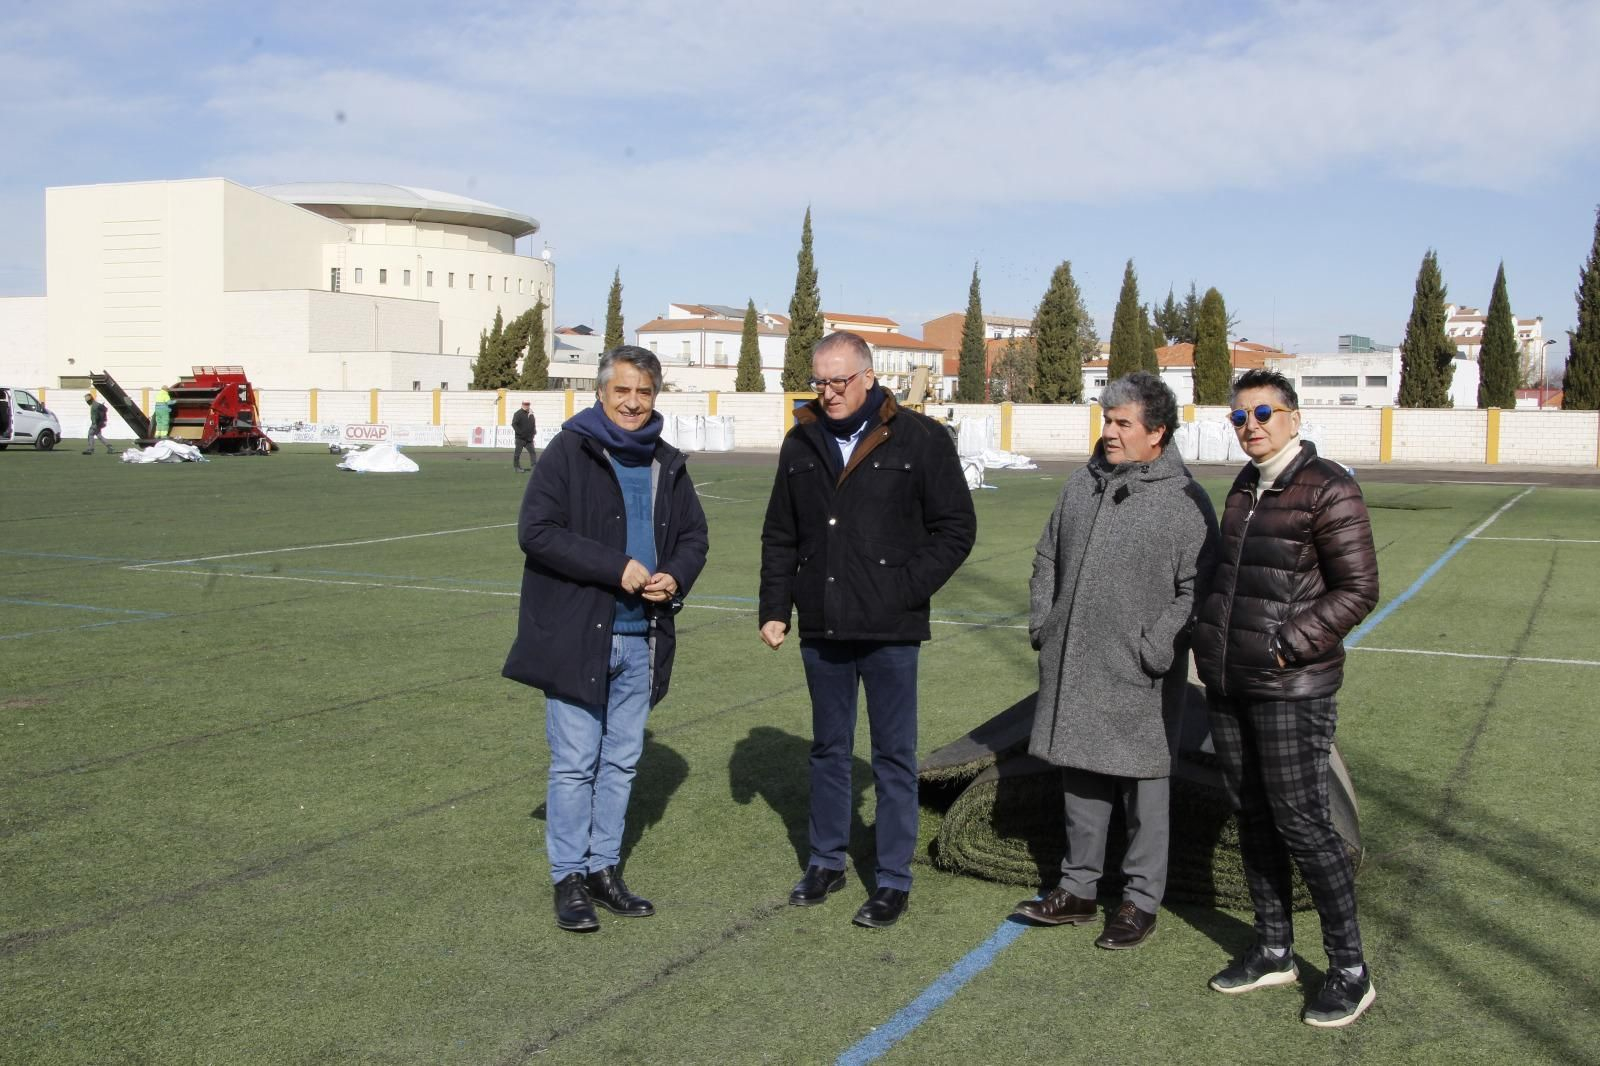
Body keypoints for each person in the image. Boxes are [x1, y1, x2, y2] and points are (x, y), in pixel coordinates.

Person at [758, 331, 976, 928]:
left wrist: (903, 590)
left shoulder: (923, 439)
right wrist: (775, 606)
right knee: (828, 749)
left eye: (838, 381)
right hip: (822, 626)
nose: (827, 393)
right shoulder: (799, 443)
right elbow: (781, 533)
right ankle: (826, 861)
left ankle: (891, 879)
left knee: (892, 756)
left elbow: (956, 530)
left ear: (869, 376)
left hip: (890, 629)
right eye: (819, 382)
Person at [1191, 368, 1380, 1028]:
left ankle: (1350, 970)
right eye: (1239, 418)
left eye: (1264, 414)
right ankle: (1274, 948)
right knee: (1252, 817)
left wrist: (1285, 645)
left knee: (1302, 822)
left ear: (1294, 418)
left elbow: (1357, 590)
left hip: (1290, 686)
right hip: (1230, 680)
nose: (1251, 427)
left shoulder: (1329, 487)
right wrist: (1208, 639)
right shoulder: (1245, 486)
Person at [502, 346, 709, 933]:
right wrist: (613, 566)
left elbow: (694, 536)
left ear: (656, 396)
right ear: (600, 392)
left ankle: (603, 868)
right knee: (574, 764)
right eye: (622, 391)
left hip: (642, 635)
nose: (632, 403)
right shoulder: (569, 451)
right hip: (578, 633)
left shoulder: (666, 461)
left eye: (643, 392)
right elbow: (535, 532)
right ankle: (568, 877)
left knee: (620, 762)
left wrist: (676, 573)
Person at [1013, 372, 1218, 949]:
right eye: (1107, 420)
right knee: (1080, 777)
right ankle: (1077, 889)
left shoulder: (1185, 501)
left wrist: (1155, 647)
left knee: (1143, 791)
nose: (1109, 432)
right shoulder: (1083, 484)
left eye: (1122, 423)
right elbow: (1046, 557)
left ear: (1157, 433)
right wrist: (1043, 622)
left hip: (1140, 674)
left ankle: (1138, 900)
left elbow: (1199, 587)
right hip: (1074, 662)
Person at [511, 399, 537, 473]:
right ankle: (517, 467)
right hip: (520, 438)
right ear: (522, 404)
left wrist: (534, 431)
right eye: (525, 404)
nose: (526, 405)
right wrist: (520, 433)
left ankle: (534, 467)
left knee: (532, 452)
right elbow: (514, 424)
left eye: (528, 404)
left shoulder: (531, 414)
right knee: (517, 453)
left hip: (529, 439)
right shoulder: (518, 414)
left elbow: (532, 424)